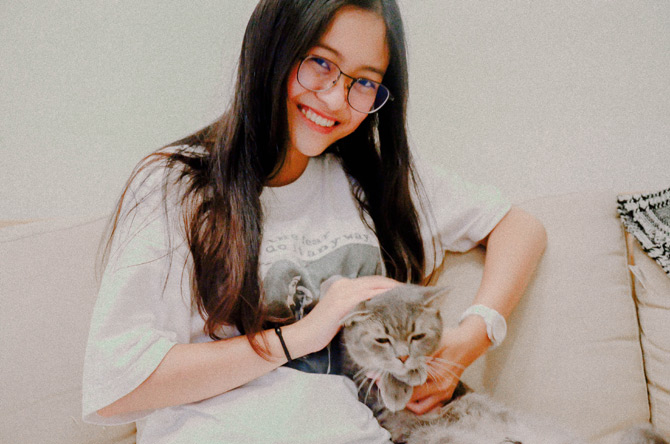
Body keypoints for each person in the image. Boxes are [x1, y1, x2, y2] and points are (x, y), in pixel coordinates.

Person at [82, 0, 547, 443]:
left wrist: (471, 338)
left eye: (364, 82)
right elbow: (119, 388)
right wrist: (305, 333)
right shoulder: (177, 185)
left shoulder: (374, 176)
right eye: (321, 63)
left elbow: (519, 228)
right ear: (274, 48)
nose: (337, 100)